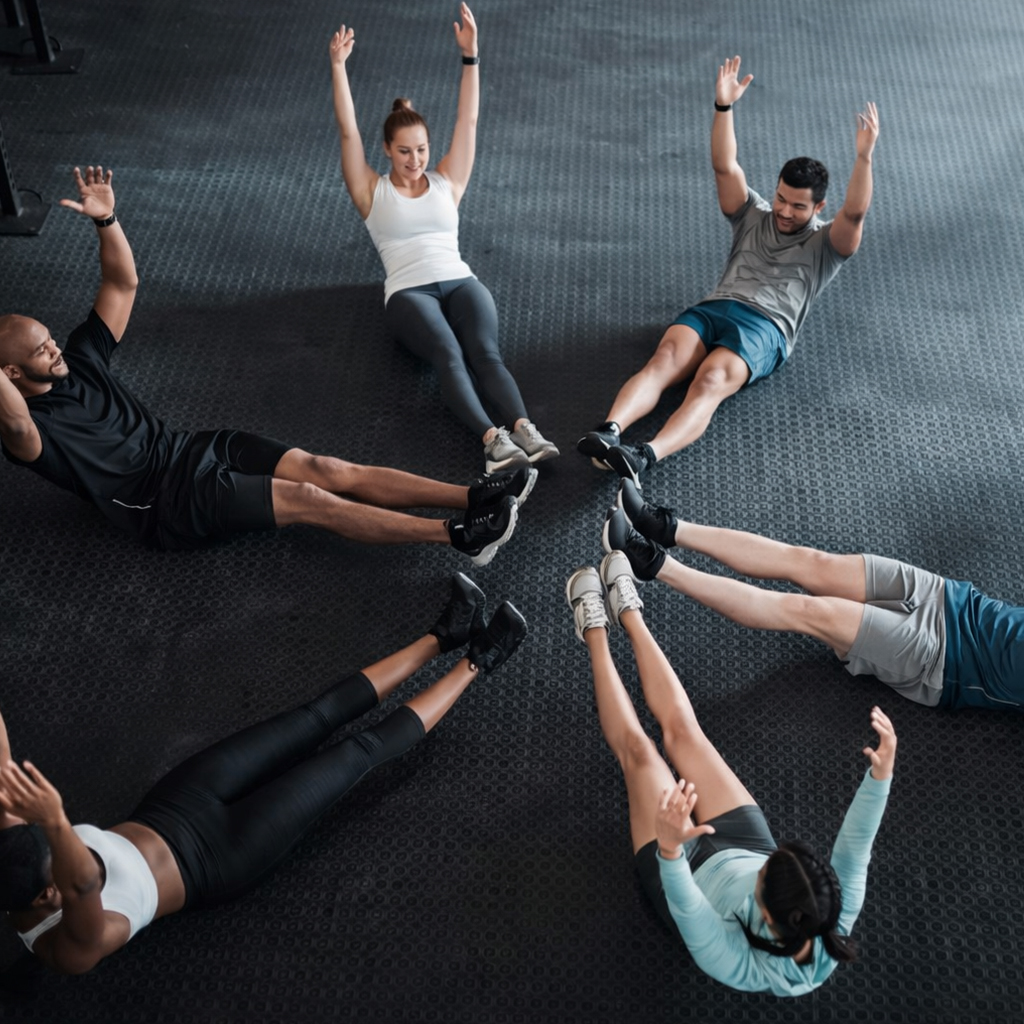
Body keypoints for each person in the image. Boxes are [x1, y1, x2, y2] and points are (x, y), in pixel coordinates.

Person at [0, 165, 536, 564]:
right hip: (164, 501)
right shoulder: (32, 434)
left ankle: (473, 495)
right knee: (308, 499)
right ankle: (458, 535)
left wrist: (107, 219)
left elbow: (123, 284)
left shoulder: (80, 358)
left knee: (328, 470)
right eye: (41, 350)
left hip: (188, 447)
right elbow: (16, 421)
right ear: (12, 375)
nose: (55, 349)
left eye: (50, 339)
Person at [0, 575, 527, 975]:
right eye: (54, 847)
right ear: (47, 896)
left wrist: (32, 814)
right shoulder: (69, 946)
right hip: (219, 855)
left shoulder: (11, 850)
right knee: (356, 753)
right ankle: (478, 661)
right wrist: (56, 820)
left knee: (313, 716)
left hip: (171, 807)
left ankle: (443, 635)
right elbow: (86, 882)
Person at [565, 552, 895, 995]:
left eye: (765, 875)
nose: (767, 865)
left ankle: (594, 630)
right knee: (685, 734)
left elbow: (689, 909)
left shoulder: (735, 962)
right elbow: (854, 852)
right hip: (743, 844)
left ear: (766, 913)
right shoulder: (830, 912)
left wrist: (671, 847)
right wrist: (879, 778)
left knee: (642, 754)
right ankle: (629, 612)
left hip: (688, 877)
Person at [578, 56, 880, 487]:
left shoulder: (828, 245)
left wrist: (864, 157)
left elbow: (856, 212)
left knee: (711, 379)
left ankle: (645, 454)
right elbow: (726, 166)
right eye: (781, 198)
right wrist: (724, 107)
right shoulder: (752, 213)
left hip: (766, 327)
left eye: (798, 206)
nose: (784, 211)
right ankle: (610, 431)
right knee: (665, 358)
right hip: (716, 307)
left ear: (818, 207)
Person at [329, 5, 558, 475]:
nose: (415, 160)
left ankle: (525, 430)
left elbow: (467, 121)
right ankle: (493, 442)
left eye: (421, 149)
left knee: (486, 354)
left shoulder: (447, 181)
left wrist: (471, 57)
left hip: (459, 280)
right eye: (404, 151)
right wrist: (338, 67)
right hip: (409, 292)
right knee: (449, 354)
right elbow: (348, 130)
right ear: (387, 150)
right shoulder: (371, 191)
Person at [606, 479, 1024, 711]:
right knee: (811, 562)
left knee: (804, 609)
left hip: (941, 659)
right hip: (955, 600)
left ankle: (655, 565)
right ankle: (666, 528)